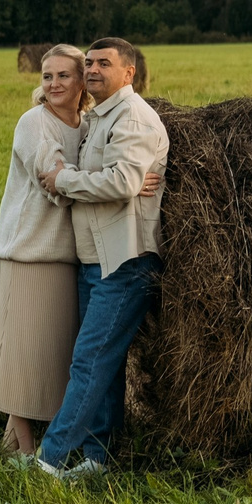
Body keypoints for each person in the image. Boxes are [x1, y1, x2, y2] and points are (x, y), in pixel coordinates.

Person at [32, 36, 169, 481]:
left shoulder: (134, 118)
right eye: (88, 63)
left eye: (103, 64)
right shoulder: (97, 119)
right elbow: (113, 179)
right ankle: (97, 458)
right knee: (104, 365)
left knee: (89, 360)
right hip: (95, 259)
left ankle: (49, 460)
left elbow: (122, 182)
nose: (91, 70)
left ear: (128, 72)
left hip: (124, 262)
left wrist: (66, 179)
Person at [0, 44, 89, 458]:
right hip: (29, 251)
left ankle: (21, 442)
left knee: (50, 353)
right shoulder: (34, 122)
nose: (54, 84)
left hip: (67, 254)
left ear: (83, 80)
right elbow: (54, 183)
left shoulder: (88, 125)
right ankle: (23, 452)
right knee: (25, 353)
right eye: (47, 76)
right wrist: (116, 183)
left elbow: (70, 178)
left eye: (63, 75)